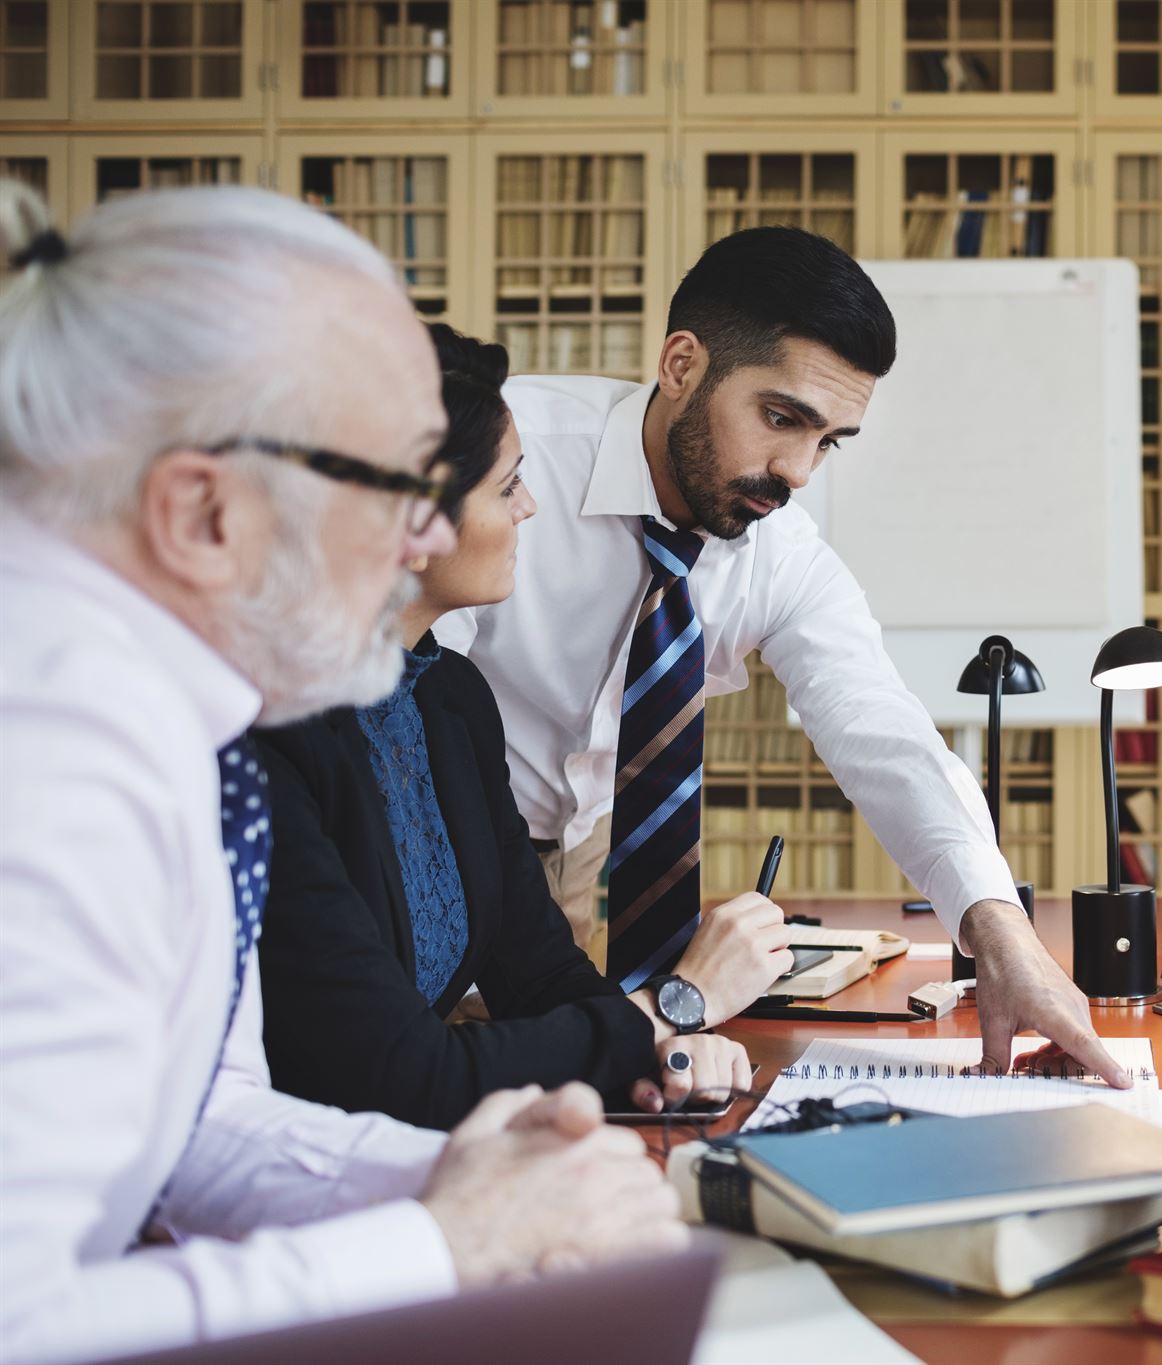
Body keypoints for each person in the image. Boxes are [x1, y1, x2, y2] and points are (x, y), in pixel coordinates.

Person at [0, 185, 681, 1364]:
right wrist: (443, 1243)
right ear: (203, 513)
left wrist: (463, 1175)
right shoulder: (45, 762)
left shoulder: (177, 722)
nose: (426, 537)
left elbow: (194, 1124)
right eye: (397, 486)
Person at [438, 225, 1128, 1084]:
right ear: (682, 365)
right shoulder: (510, 463)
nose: (799, 471)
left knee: (580, 1090)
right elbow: (407, 699)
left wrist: (1001, 932)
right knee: (436, 1074)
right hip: (438, 828)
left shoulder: (779, 550)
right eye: (780, 418)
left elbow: (881, 730)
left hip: (574, 860)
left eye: (829, 440)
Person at [255, 324, 761, 1130]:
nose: (529, 506)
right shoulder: (269, 736)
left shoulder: (451, 700)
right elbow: (395, 1071)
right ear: (412, 522)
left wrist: (654, 1054)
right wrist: (667, 1009)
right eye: (507, 486)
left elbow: (540, 972)